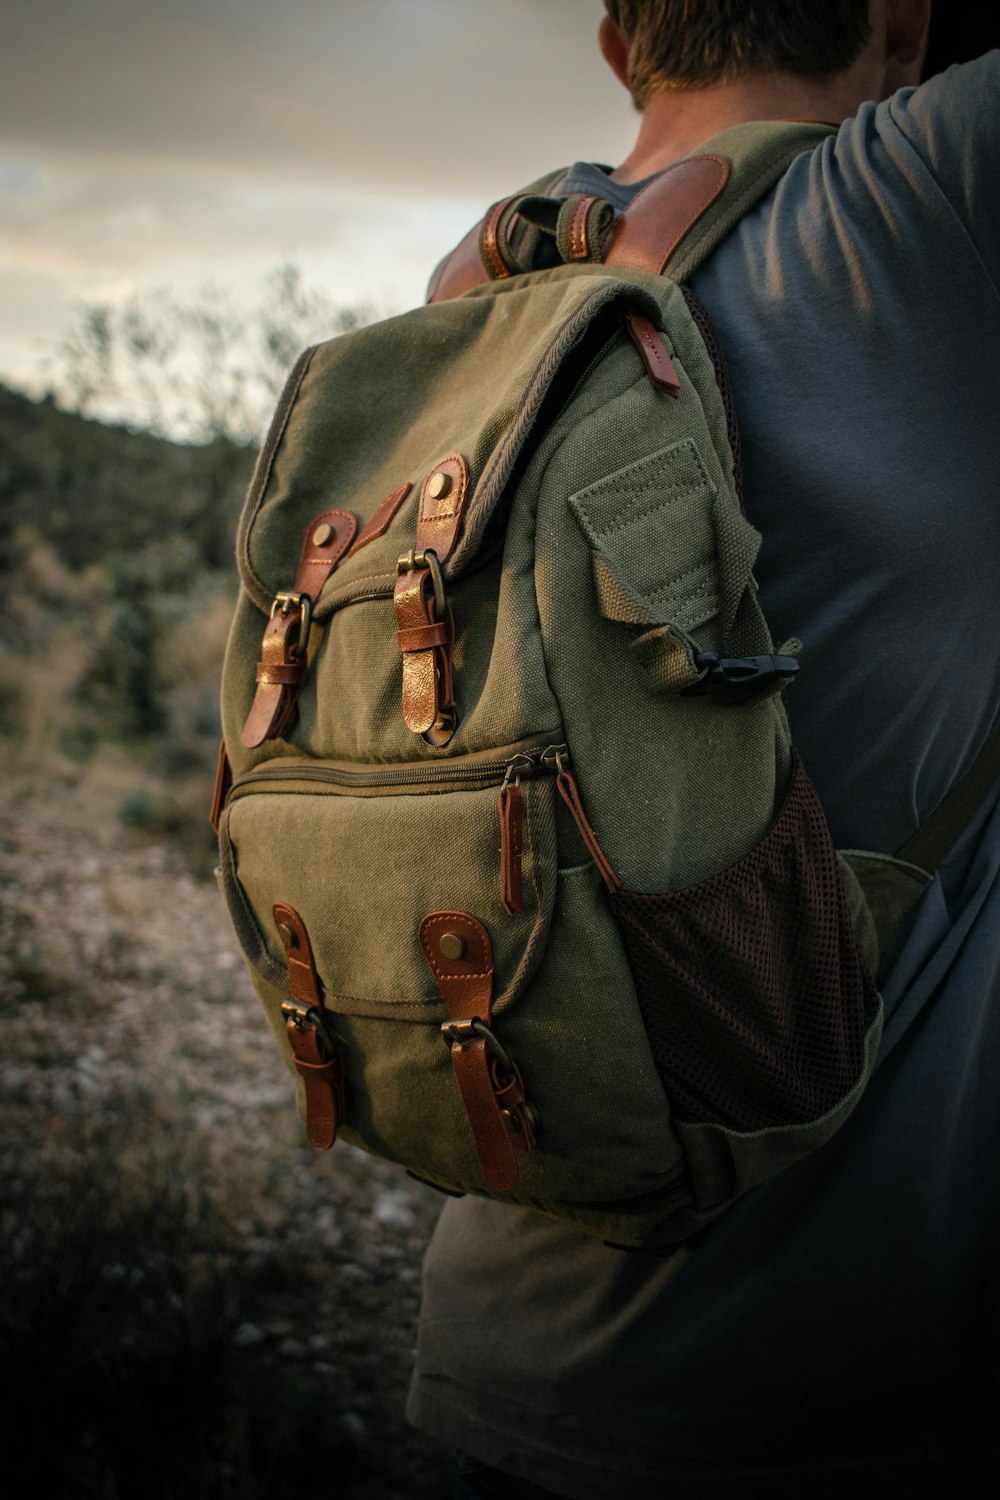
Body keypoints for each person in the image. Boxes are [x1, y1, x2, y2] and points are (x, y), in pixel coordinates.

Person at [406, 3, 1000, 1496]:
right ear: (903, 25)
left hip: (495, 1330)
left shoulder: (486, 274)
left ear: (617, 41)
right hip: (838, 1394)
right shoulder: (921, 202)